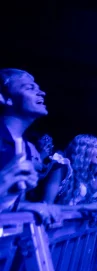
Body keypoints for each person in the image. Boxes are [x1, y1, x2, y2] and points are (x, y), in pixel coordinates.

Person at [0, 68, 47, 210]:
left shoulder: (24, 146)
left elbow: (9, 205)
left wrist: (33, 207)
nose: (41, 93)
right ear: (5, 97)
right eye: (29, 87)